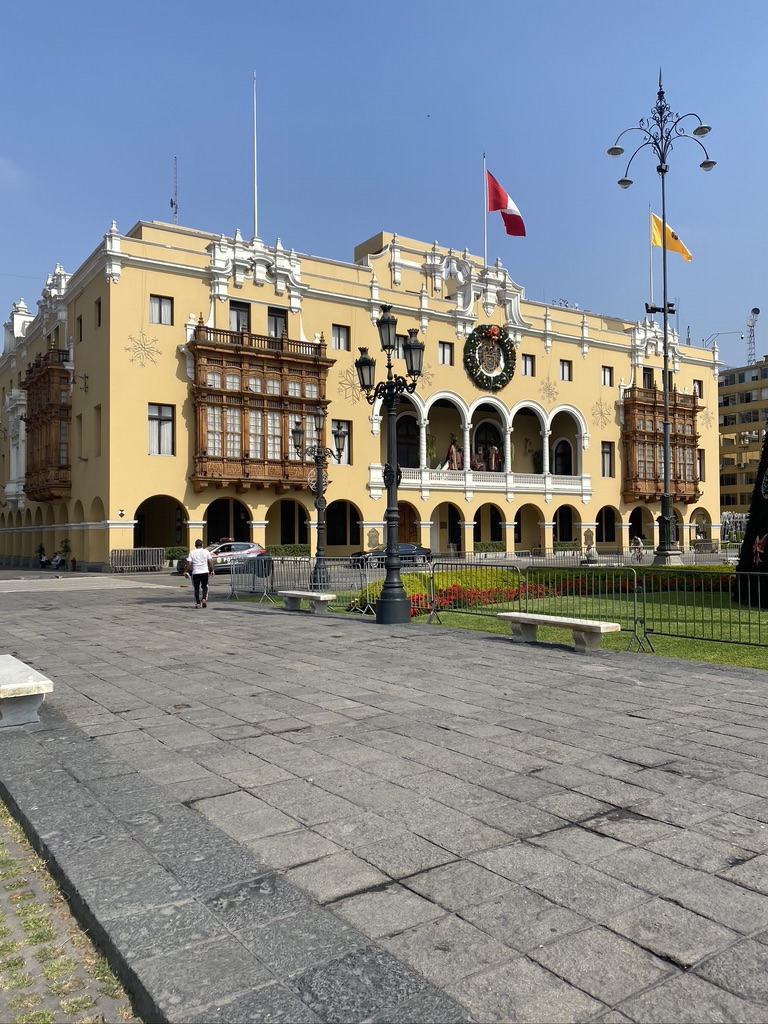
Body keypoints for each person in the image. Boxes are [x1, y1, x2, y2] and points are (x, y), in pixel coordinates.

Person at [185, 539, 214, 608]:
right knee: (205, 587)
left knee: (196, 588)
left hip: (196, 572)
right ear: (202, 545)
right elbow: (209, 562)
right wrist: (211, 570)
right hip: (204, 572)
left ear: (195, 545)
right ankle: (204, 599)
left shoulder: (192, 552)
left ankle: (198, 603)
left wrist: (185, 570)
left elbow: (189, 563)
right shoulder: (206, 551)